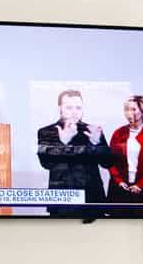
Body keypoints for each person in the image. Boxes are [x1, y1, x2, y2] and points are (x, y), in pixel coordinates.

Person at [36, 89, 113, 218]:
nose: (74, 112)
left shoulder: (92, 130)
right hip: (63, 200)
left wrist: (96, 144)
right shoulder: (47, 131)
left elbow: (108, 163)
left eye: (78, 107)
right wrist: (63, 142)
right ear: (60, 108)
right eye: (69, 107)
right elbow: (46, 163)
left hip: (92, 198)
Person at [107, 95, 143, 213]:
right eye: (127, 109)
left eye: (133, 109)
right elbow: (110, 160)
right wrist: (119, 181)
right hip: (120, 189)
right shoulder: (118, 133)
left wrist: (140, 184)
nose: (129, 113)